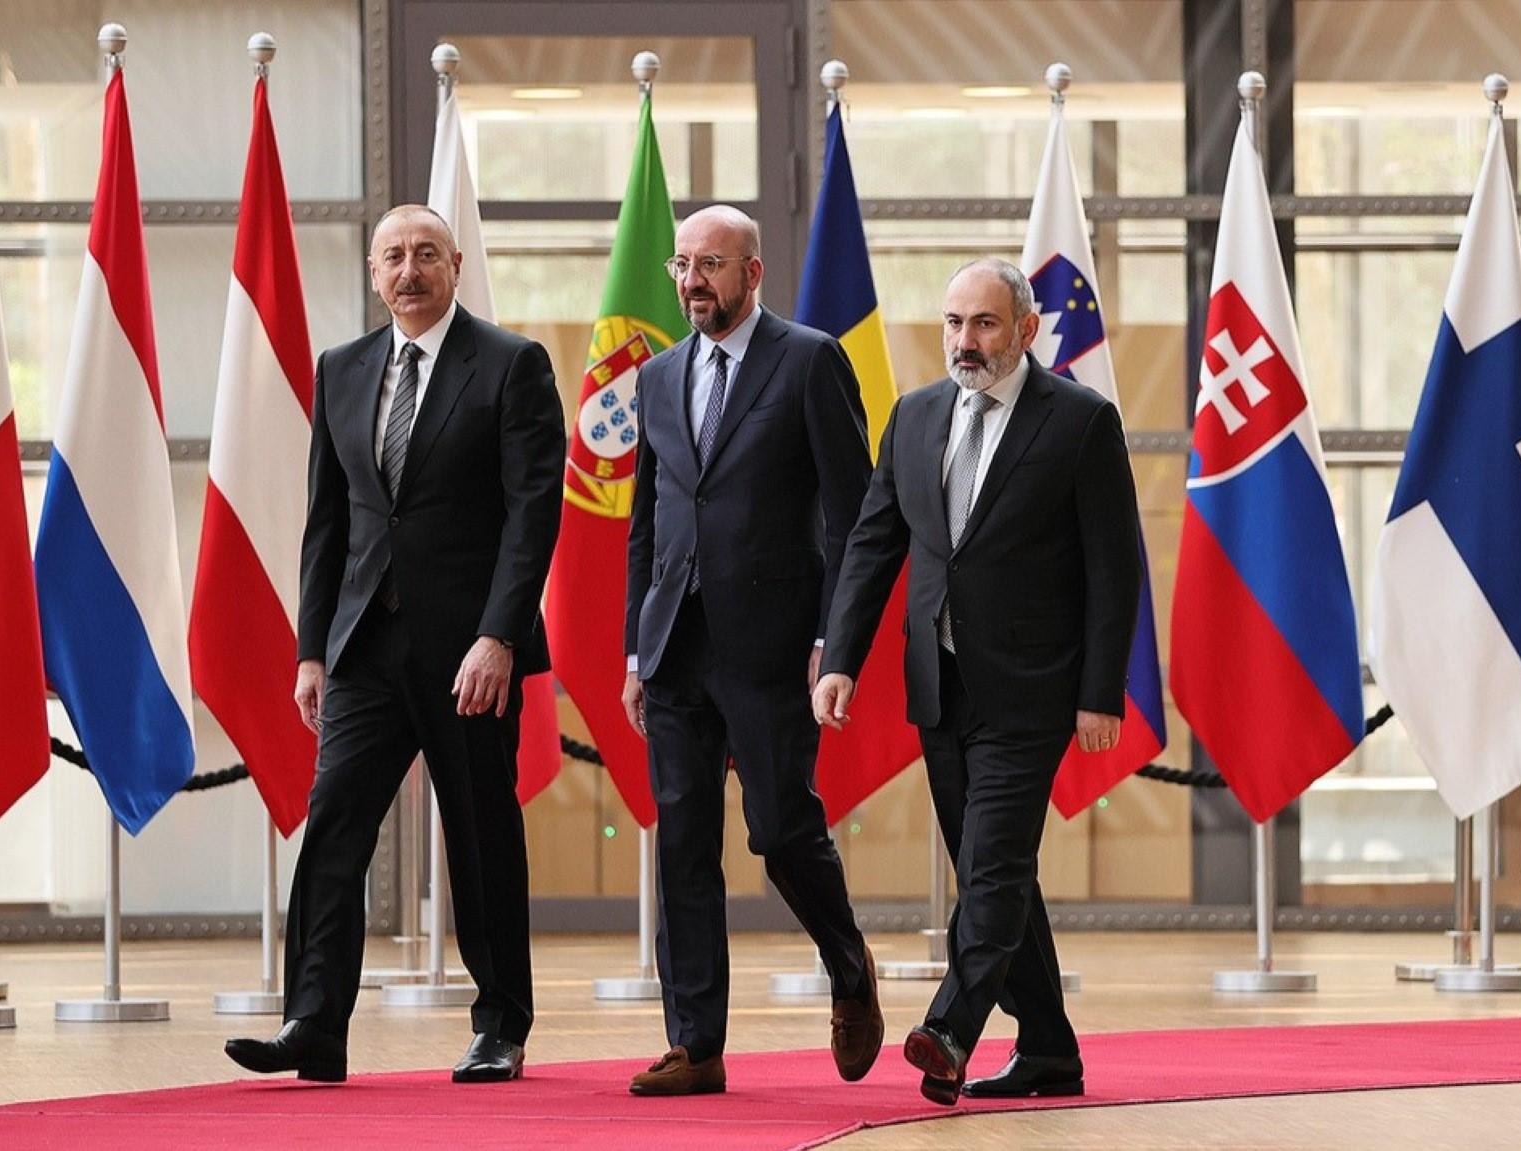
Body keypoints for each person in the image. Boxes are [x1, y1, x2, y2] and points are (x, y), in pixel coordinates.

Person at [226, 205, 564, 1085]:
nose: (408, 271)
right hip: (365, 645)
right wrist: (312, 650)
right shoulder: (342, 370)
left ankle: (500, 1024)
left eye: (424, 254)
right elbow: (326, 524)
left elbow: (534, 516)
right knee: (334, 821)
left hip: (470, 653)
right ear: (374, 276)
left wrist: (499, 636)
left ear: (454, 263)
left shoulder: (511, 364)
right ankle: (314, 1022)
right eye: (391, 258)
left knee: (481, 834)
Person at [812, 257, 1142, 1106]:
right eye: (955, 322)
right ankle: (1049, 1051)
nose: (965, 340)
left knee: (990, 866)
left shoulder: (1080, 421)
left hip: (1033, 689)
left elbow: (1116, 569)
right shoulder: (916, 417)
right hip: (941, 686)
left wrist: (1102, 689)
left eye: (985, 324)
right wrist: (841, 653)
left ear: (1026, 330)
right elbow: (872, 546)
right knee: (997, 870)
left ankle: (951, 1027)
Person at [621, 204, 883, 1095]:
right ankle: (695, 1042)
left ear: (753, 272)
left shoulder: (809, 359)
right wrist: (633, 651)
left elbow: (855, 518)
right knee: (683, 840)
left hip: (774, 648)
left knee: (778, 830)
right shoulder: (657, 377)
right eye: (683, 264)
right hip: (675, 648)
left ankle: (850, 968)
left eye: (712, 265)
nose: (694, 280)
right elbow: (646, 524)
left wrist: (833, 638)